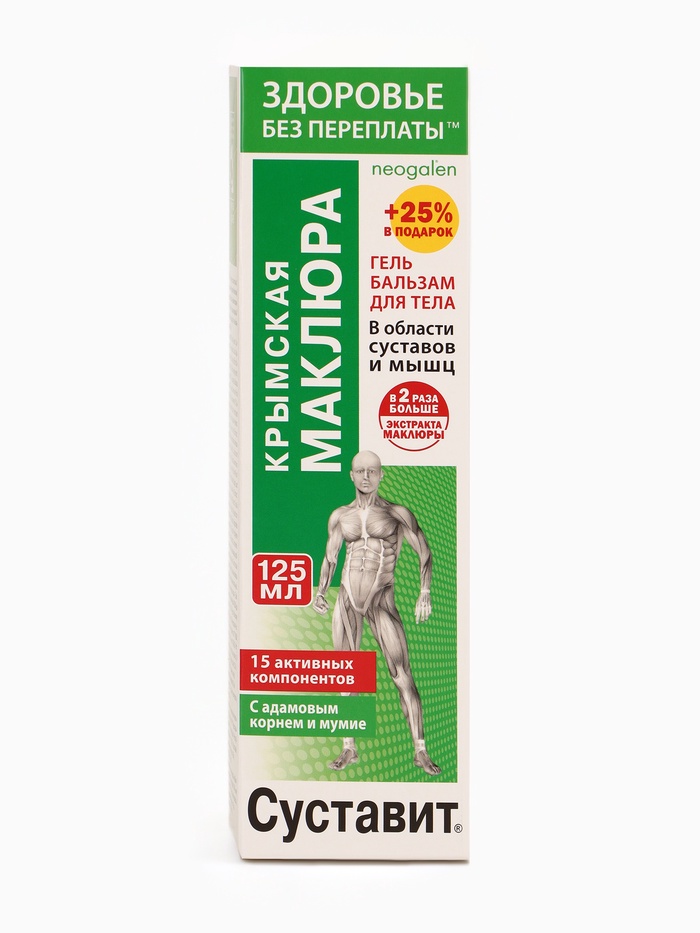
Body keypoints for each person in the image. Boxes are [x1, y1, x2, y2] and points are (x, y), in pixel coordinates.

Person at [313, 450, 441, 776]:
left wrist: (424, 592)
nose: (366, 477)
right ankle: (349, 747)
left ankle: (420, 750)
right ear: (351, 475)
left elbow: (424, 552)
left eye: (372, 471)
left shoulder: (396, 513)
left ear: (382, 475)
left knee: (402, 675)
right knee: (346, 675)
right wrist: (320, 592)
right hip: (347, 598)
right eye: (360, 471)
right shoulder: (340, 516)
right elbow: (331, 557)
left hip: (381, 599)